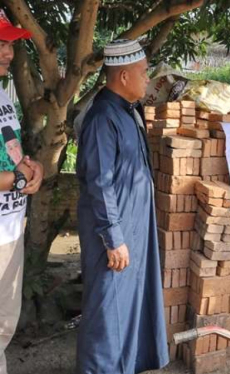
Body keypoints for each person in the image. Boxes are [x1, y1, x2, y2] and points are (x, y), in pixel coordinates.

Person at [75, 39, 168, 373]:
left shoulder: (127, 111)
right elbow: (99, 182)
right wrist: (113, 237)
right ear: (124, 76)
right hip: (111, 236)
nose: (147, 79)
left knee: (127, 309)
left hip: (131, 230)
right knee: (107, 315)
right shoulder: (103, 117)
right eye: (143, 73)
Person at [0, 11, 44, 373]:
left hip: (11, 227)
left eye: (10, 44)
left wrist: (34, 168)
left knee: (3, 327)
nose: (8, 53)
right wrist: (16, 180)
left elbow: (11, 153)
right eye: (0, 44)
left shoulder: (3, 96)